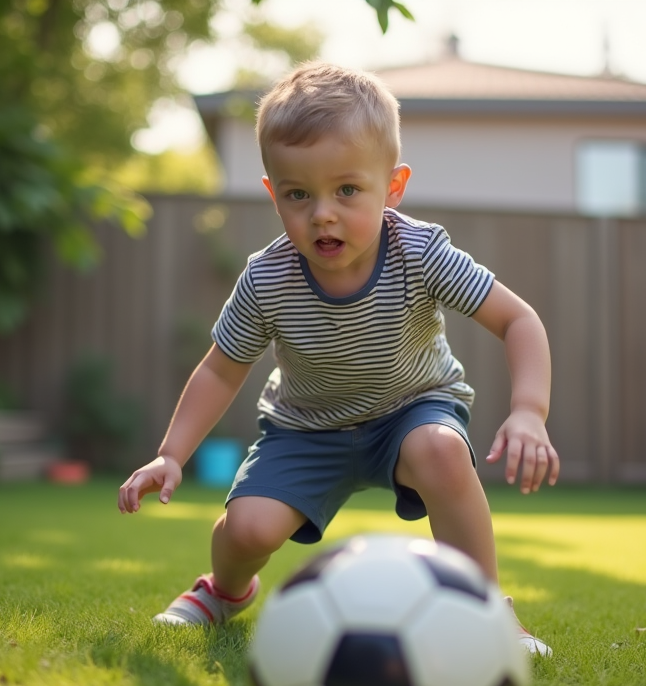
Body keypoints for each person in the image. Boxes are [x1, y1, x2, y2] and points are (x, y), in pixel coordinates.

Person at [117, 62, 560, 655]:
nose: (322, 213)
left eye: (347, 190)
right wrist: (171, 454)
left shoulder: (420, 252)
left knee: (442, 451)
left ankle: (485, 609)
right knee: (246, 529)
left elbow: (518, 319)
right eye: (299, 194)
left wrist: (529, 410)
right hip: (306, 429)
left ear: (392, 188)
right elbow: (221, 366)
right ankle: (224, 591)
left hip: (411, 411)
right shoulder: (267, 278)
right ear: (274, 195)